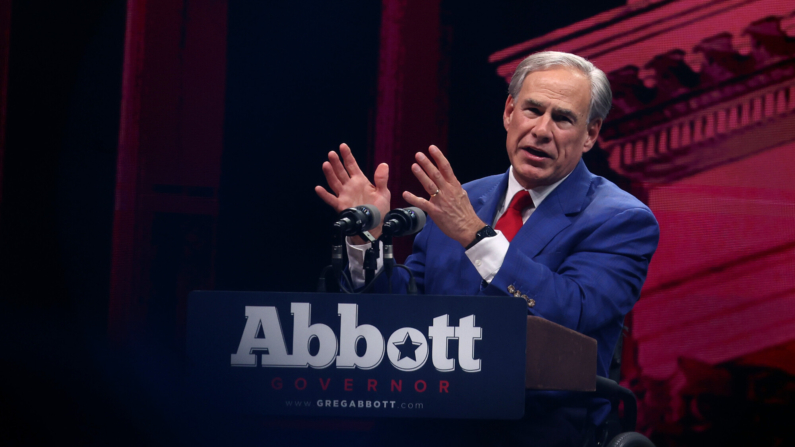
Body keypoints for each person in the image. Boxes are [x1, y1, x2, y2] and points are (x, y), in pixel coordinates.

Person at [315, 51, 659, 446]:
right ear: (509, 111)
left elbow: (573, 312)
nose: (542, 130)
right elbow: (404, 311)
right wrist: (366, 239)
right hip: (427, 423)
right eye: (532, 110)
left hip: (535, 431)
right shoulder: (465, 199)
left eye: (562, 118)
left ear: (591, 133)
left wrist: (477, 236)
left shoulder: (621, 219)